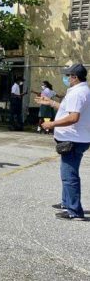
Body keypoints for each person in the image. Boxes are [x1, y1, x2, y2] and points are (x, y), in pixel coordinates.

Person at [35, 64, 90, 220]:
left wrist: (52, 124)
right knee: (67, 173)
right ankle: (67, 203)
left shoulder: (78, 93)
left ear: (75, 77)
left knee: (69, 175)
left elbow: (73, 117)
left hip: (73, 140)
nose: (66, 78)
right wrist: (51, 103)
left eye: (68, 76)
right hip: (76, 138)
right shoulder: (81, 91)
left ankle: (74, 211)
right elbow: (68, 109)